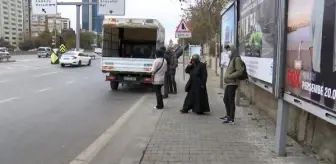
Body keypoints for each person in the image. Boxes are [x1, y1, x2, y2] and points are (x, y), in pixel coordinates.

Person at [221, 44, 244, 124]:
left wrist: (230, 76)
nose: (227, 52)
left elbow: (239, 71)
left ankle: (231, 118)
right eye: (227, 50)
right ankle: (228, 115)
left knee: (230, 100)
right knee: (225, 99)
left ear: (233, 50)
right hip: (229, 83)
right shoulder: (232, 58)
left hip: (233, 83)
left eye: (229, 50)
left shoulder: (237, 59)